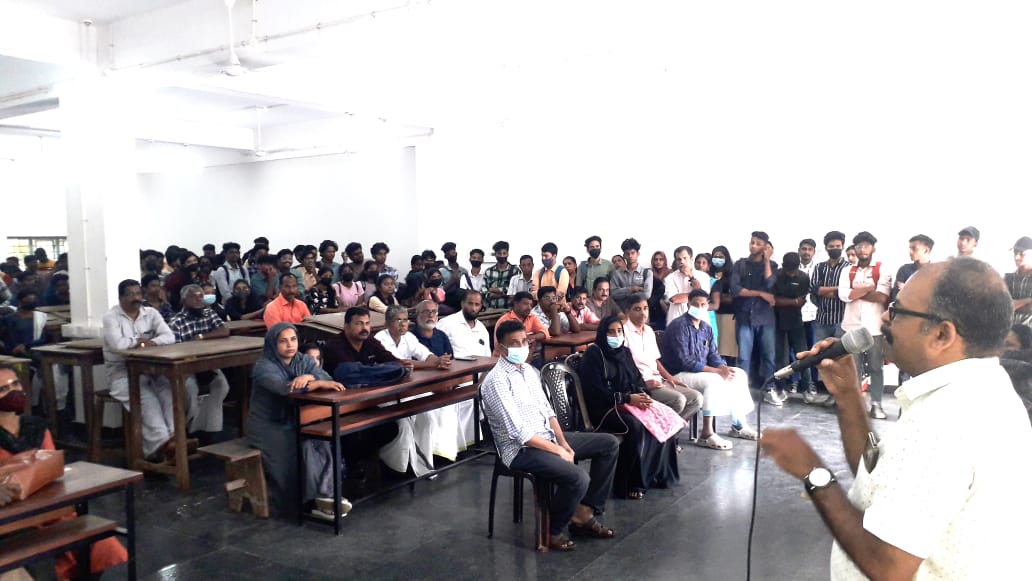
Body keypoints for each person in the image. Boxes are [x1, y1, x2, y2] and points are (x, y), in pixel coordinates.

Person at [760, 257, 1032, 580]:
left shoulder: (947, 420)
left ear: (942, 334)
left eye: (898, 311)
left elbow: (889, 567)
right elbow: (877, 480)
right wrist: (848, 395)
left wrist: (813, 472)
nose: (885, 317)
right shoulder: (978, 388)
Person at [480, 320, 620, 551]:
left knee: (609, 444)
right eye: (514, 344)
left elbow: (548, 412)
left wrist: (563, 442)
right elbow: (520, 434)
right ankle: (552, 530)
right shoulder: (496, 381)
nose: (522, 347)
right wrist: (558, 451)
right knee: (578, 477)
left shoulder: (528, 371)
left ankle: (584, 512)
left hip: (548, 438)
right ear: (501, 348)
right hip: (521, 450)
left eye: (524, 341)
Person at [0, 364, 129, 580]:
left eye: (15, 384)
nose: (13, 392)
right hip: (12, 518)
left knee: (100, 543)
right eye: (3, 389)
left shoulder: (36, 428)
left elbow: (53, 470)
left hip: (48, 507)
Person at [247, 323, 349, 520]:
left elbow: (327, 378)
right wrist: (316, 383)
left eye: (293, 339)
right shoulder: (263, 366)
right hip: (268, 426)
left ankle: (325, 496)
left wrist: (309, 376)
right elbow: (285, 389)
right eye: (283, 341)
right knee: (293, 451)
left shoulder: (303, 360)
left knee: (322, 441)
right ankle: (302, 505)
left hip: (297, 420)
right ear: (273, 344)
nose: (290, 345)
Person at [579, 316, 679, 499]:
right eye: (611, 332)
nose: (616, 335)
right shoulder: (595, 354)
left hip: (629, 403)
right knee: (635, 425)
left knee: (663, 417)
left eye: (619, 331)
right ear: (602, 333)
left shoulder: (624, 352)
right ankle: (631, 483)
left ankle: (656, 475)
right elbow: (595, 392)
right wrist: (626, 398)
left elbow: (637, 379)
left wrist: (642, 395)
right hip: (604, 409)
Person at [661, 290, 758, 450]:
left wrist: (722, 367)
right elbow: (685, 361)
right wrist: (717, 371)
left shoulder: (706, 327)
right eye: (696, 304)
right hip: (678, 374)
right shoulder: (678, 326)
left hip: (700, 372)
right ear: (688, 305)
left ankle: (739, 425)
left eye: (703, 304)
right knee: (714, 380)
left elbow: (713, 354)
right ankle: (706, 433)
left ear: (707, 306)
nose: (699, 307)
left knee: (738, 374)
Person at [102, 279, 180, 461]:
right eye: (130, 294)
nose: (136, 298)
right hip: (122, 372)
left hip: (151, 368)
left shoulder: (150, 313)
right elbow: (118, 345)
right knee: (146, 398)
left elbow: (169, 337)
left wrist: (151, 342)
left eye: (138, 293)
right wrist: (139, 342)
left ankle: (173, 438)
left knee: (169, 390)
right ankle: (161, 445)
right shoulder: (111, 317)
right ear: (121, 298)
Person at [373, 306, 453, 476]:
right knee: (404, 422)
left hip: (408, 389)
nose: (403, 324)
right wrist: (432, 363)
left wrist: (438, 360)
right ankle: (401, 466)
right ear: (388, 323)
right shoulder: (379, 339)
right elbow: (401, 363)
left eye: (405, 320)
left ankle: (424, 463)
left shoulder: (408, 337)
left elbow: (424, 353)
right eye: (398, 320)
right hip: (387, 393)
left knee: (428, 417)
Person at [622, 294, 703, 425]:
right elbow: (623, 366)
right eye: (637, 309)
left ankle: (669, 433)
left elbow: (655, 360)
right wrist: (643, 384)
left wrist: (670, 378)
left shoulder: (649, 331)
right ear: (627, 312)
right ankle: (660, 434)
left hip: (659, 380)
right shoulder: (623, 332)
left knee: (696, 398)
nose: (643, 313)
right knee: (678, 400)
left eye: (645, 308)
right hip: (641, 385)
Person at [167, 285, 231, 445]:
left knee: (222, 386)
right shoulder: (176, 322)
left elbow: (224, 331)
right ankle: (190, 430)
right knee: (190, 391)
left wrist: (202, 336)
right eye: (193, 297)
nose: (198, 300)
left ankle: (209, 429)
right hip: (186, 368)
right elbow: (175, 351)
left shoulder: (208, 313)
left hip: (208, 364)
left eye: (200, 296)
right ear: (184, 300)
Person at [838, 231, 891, 419]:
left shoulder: (882, 269)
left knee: (876, 368)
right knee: (853, 368)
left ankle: (876, 404)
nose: (862, 249)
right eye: (859, 246)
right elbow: (844, 296)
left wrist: (856, 291)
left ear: (873, 249)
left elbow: (882, 297)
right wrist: (869, 288)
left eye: (866, 246)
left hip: (875, 328)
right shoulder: (847, 271)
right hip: (851, 327)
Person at [731, 231, 780, 403]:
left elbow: (770, 284)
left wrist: (766, 260)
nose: (753, 246)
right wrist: (760, 294)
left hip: (765, 318)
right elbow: (735, 290)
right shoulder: (740, 265)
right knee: (744, 357)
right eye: (752, 242)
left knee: (769, 356)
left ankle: (769, 389)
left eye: (758, 244)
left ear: (766, 247)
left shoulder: (772, 266)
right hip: (744, 316)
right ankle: (741, 391)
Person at [810, 231, 849, 404]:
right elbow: (814, 290)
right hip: (822, 319)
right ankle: (831, 392)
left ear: (843, 247)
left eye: (838, 246)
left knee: (840, 358)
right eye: (831, 246)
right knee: (823, 358)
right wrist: (837, 290)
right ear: (826, 248)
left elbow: (847, 292)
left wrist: (829, 291)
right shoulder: (819, 267)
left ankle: (841, 395)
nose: (835, 249)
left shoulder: (849, 268)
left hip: (842, 319)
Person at [772, 252, 812, 399]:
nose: (791, 274)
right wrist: (792, 302)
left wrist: (786, 302)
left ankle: (807, 388)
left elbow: (801, 301)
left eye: (794, 270)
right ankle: (781, 388)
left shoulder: (803, 277)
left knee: (803, 355)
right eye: (789, 271)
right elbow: (773, 300)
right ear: (783, 267)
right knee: (780, 357)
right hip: (777, 320)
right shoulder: (776, 276)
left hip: (796, 321)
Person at [321, 307, 400, 374]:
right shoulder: (334, 346)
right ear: (346, 326)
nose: (364, 328)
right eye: (359, 323)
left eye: (367, 323)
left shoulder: (370, 341)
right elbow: (353, 372)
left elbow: (389, 359)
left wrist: (401, 363)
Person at [495, 291, 550, 359]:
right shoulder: (505, 320)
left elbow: (545, 333)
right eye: (525, 304)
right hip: (505, 358)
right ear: (515, 303)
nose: (529, 308)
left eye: (531, 305)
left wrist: (530, 337)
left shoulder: (532, 317)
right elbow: (498, 345)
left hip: (527, 357)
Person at [664, 246, 708, 325]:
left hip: (699, 320)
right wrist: (695, 296)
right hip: (676, 320)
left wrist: (691, 276)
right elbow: (674, 299)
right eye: (679, 259)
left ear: (691, 259)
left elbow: (702, 297)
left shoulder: (703, 276)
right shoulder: (670, 278)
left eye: (685, 258)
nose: (682, 262)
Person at [709, 245, 738, 363]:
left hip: (728, 315)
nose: (717, 259)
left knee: (728, 350)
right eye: (715, 256)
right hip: (712, 315)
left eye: (720, 257)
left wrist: (717, 297)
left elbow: (734, 297)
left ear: (726, 258)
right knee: (715, 349)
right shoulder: (708, 273)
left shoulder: (733, 275)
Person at [893, 234, 934, 302]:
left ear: (926, 250)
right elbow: (896, 298)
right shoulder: (904, 270)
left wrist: (906, 290)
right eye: (910, 248)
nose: (910, 252)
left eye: (914, 249)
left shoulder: (936, 273)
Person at [610, 238, 652, 302]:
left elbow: (647, 295)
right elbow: (613, 293)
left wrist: (622, 292)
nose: (630, 256)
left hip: (639, 307)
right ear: (624, 255)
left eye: (633, 253)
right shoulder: (617, 274)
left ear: (638, 254)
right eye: (627, 253)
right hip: (622, 308)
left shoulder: (647, 272)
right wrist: (632, 289)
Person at [482, 241, 520, 310]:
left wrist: (494, 290)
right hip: (490, 310)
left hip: (508, 310)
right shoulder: (488, 271)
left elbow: (515, 290)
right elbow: (483, 291)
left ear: (508, 254)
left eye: (504, 253)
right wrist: (503, 293)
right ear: (495, 254)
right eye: (499, 253)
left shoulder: (515, 271)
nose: (502, 256)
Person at [1006, 236, 1032, 328]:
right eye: (1015, 253)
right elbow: (1004, 306)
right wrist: (1028, 300)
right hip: (1009, 331)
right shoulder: (1007, 279)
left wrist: (1015, 304)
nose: (1017, 257)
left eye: (1022, 253)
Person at [649, 250, 672, 330]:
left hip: (667, 303)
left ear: (664, 261)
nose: (658, 262)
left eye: (661, 259)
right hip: (652, 305)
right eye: (656, 259)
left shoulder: (670, 273)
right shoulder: (649, 273)